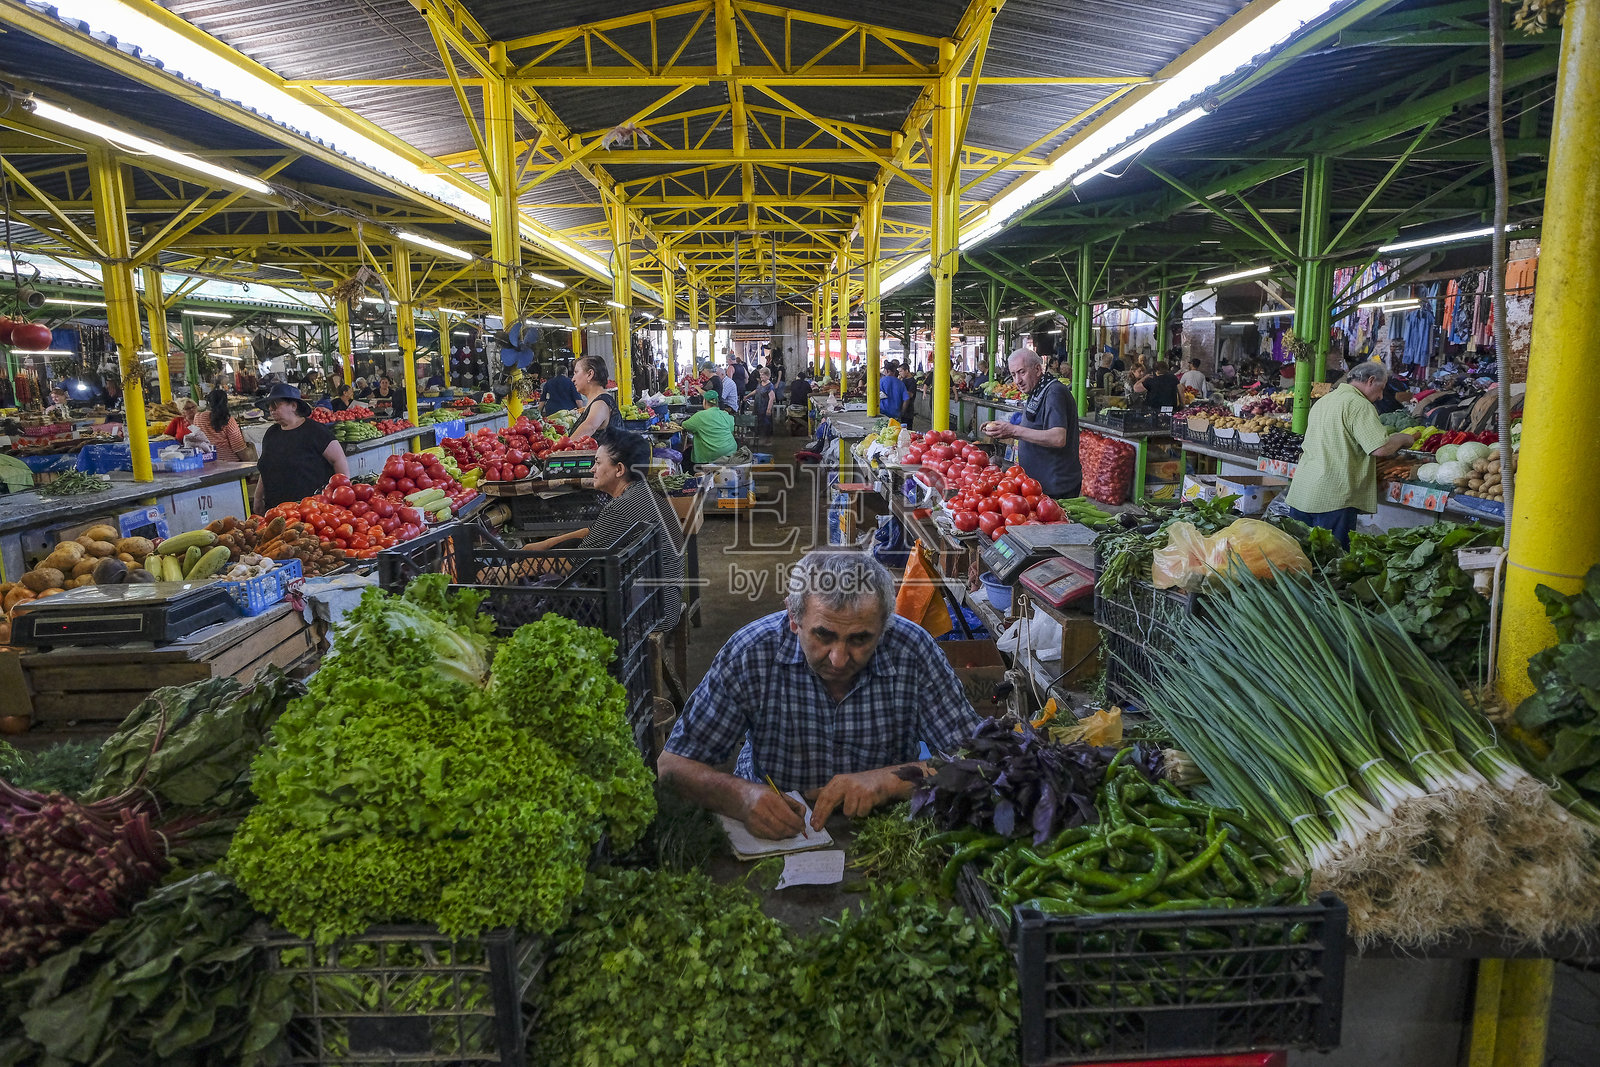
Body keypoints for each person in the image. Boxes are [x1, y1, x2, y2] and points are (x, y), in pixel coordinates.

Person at [659, 551, 982, 838]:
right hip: (777, 829)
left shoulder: (913, 651)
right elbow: (673, 766)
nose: (838, 659)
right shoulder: (752, 652)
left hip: (885, 828)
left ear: (885, 626)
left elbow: (980, 762)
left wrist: (891, 782)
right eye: (823, 636)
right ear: (793, 618)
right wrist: (742, 797)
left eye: (860, 639)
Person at [522, 429, 685, 628]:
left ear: (619, 470)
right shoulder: (643, 493)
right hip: (662, 600)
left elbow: (572, 564)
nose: (592, 469)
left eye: (598, 463)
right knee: (573, 552)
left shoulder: (622, 508)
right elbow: (592, 531)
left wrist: (509, 571)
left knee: (552, 606)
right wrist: (547, 544)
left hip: (650, 613)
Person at [1284, 361, 1415, 548]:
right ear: (1370, 380)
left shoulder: (1324, 400)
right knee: (1331, 563)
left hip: (1303, 491)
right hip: (1333, 497)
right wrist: (1402, 438)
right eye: (1381, 389)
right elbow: (1380, 448)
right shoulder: (1359, 404)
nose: (1380, 397)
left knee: (1299, 558)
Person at [982, 348, 1081, 497]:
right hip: (1036, 483)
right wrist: (1000, 428)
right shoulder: (1038, 390)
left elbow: (1058, 438)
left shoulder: (1054, 392)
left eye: (1022, 372)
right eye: (1013, 374)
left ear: (1037, 369)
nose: (1017, 381)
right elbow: (1034, 427)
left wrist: (1014, 431)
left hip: (1056, 486)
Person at [253, 383, 349, 511]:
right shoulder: (271, 433)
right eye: (269, 406)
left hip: (311, 511)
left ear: (293, 405)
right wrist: (258, 498)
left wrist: (344, 495)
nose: (271, 409)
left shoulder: (316, 431)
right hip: (276, 510)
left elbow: (338, 459)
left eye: (275, 404)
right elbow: (265, 468)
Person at [570, 355, 624, 440]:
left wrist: (561, 448)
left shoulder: (600, 403)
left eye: (576, 372)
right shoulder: (597, 401)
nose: (573, 379)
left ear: (590, 374)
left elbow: (590, 427)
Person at [681, 391, 737, 467]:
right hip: (729, 452)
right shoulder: (726, 415)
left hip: (710, 454)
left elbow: (685, 425)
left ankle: (696, 475)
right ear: (717, 402)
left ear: (705, 401)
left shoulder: (700, 416)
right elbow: (730, 430)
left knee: (686, 459)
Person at [198, 388, 248, 463]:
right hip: (229, 463)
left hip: (207, 460)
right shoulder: (227, 420)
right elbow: (238, 448)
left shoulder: (198, 417)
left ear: (208, 402)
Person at [751, 368, 777, 446]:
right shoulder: (760, 384)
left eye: (763, 375)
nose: (761, 376)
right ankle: (759, 439)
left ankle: (767, 441)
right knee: (758, 423)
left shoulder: (770, 386)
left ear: (768, 376)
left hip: (764, 408)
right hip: (758, 407)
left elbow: (772, 398)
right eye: (760, 375)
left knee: (766, 425)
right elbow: (756, 391)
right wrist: (747, 396)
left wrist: (768, 409)